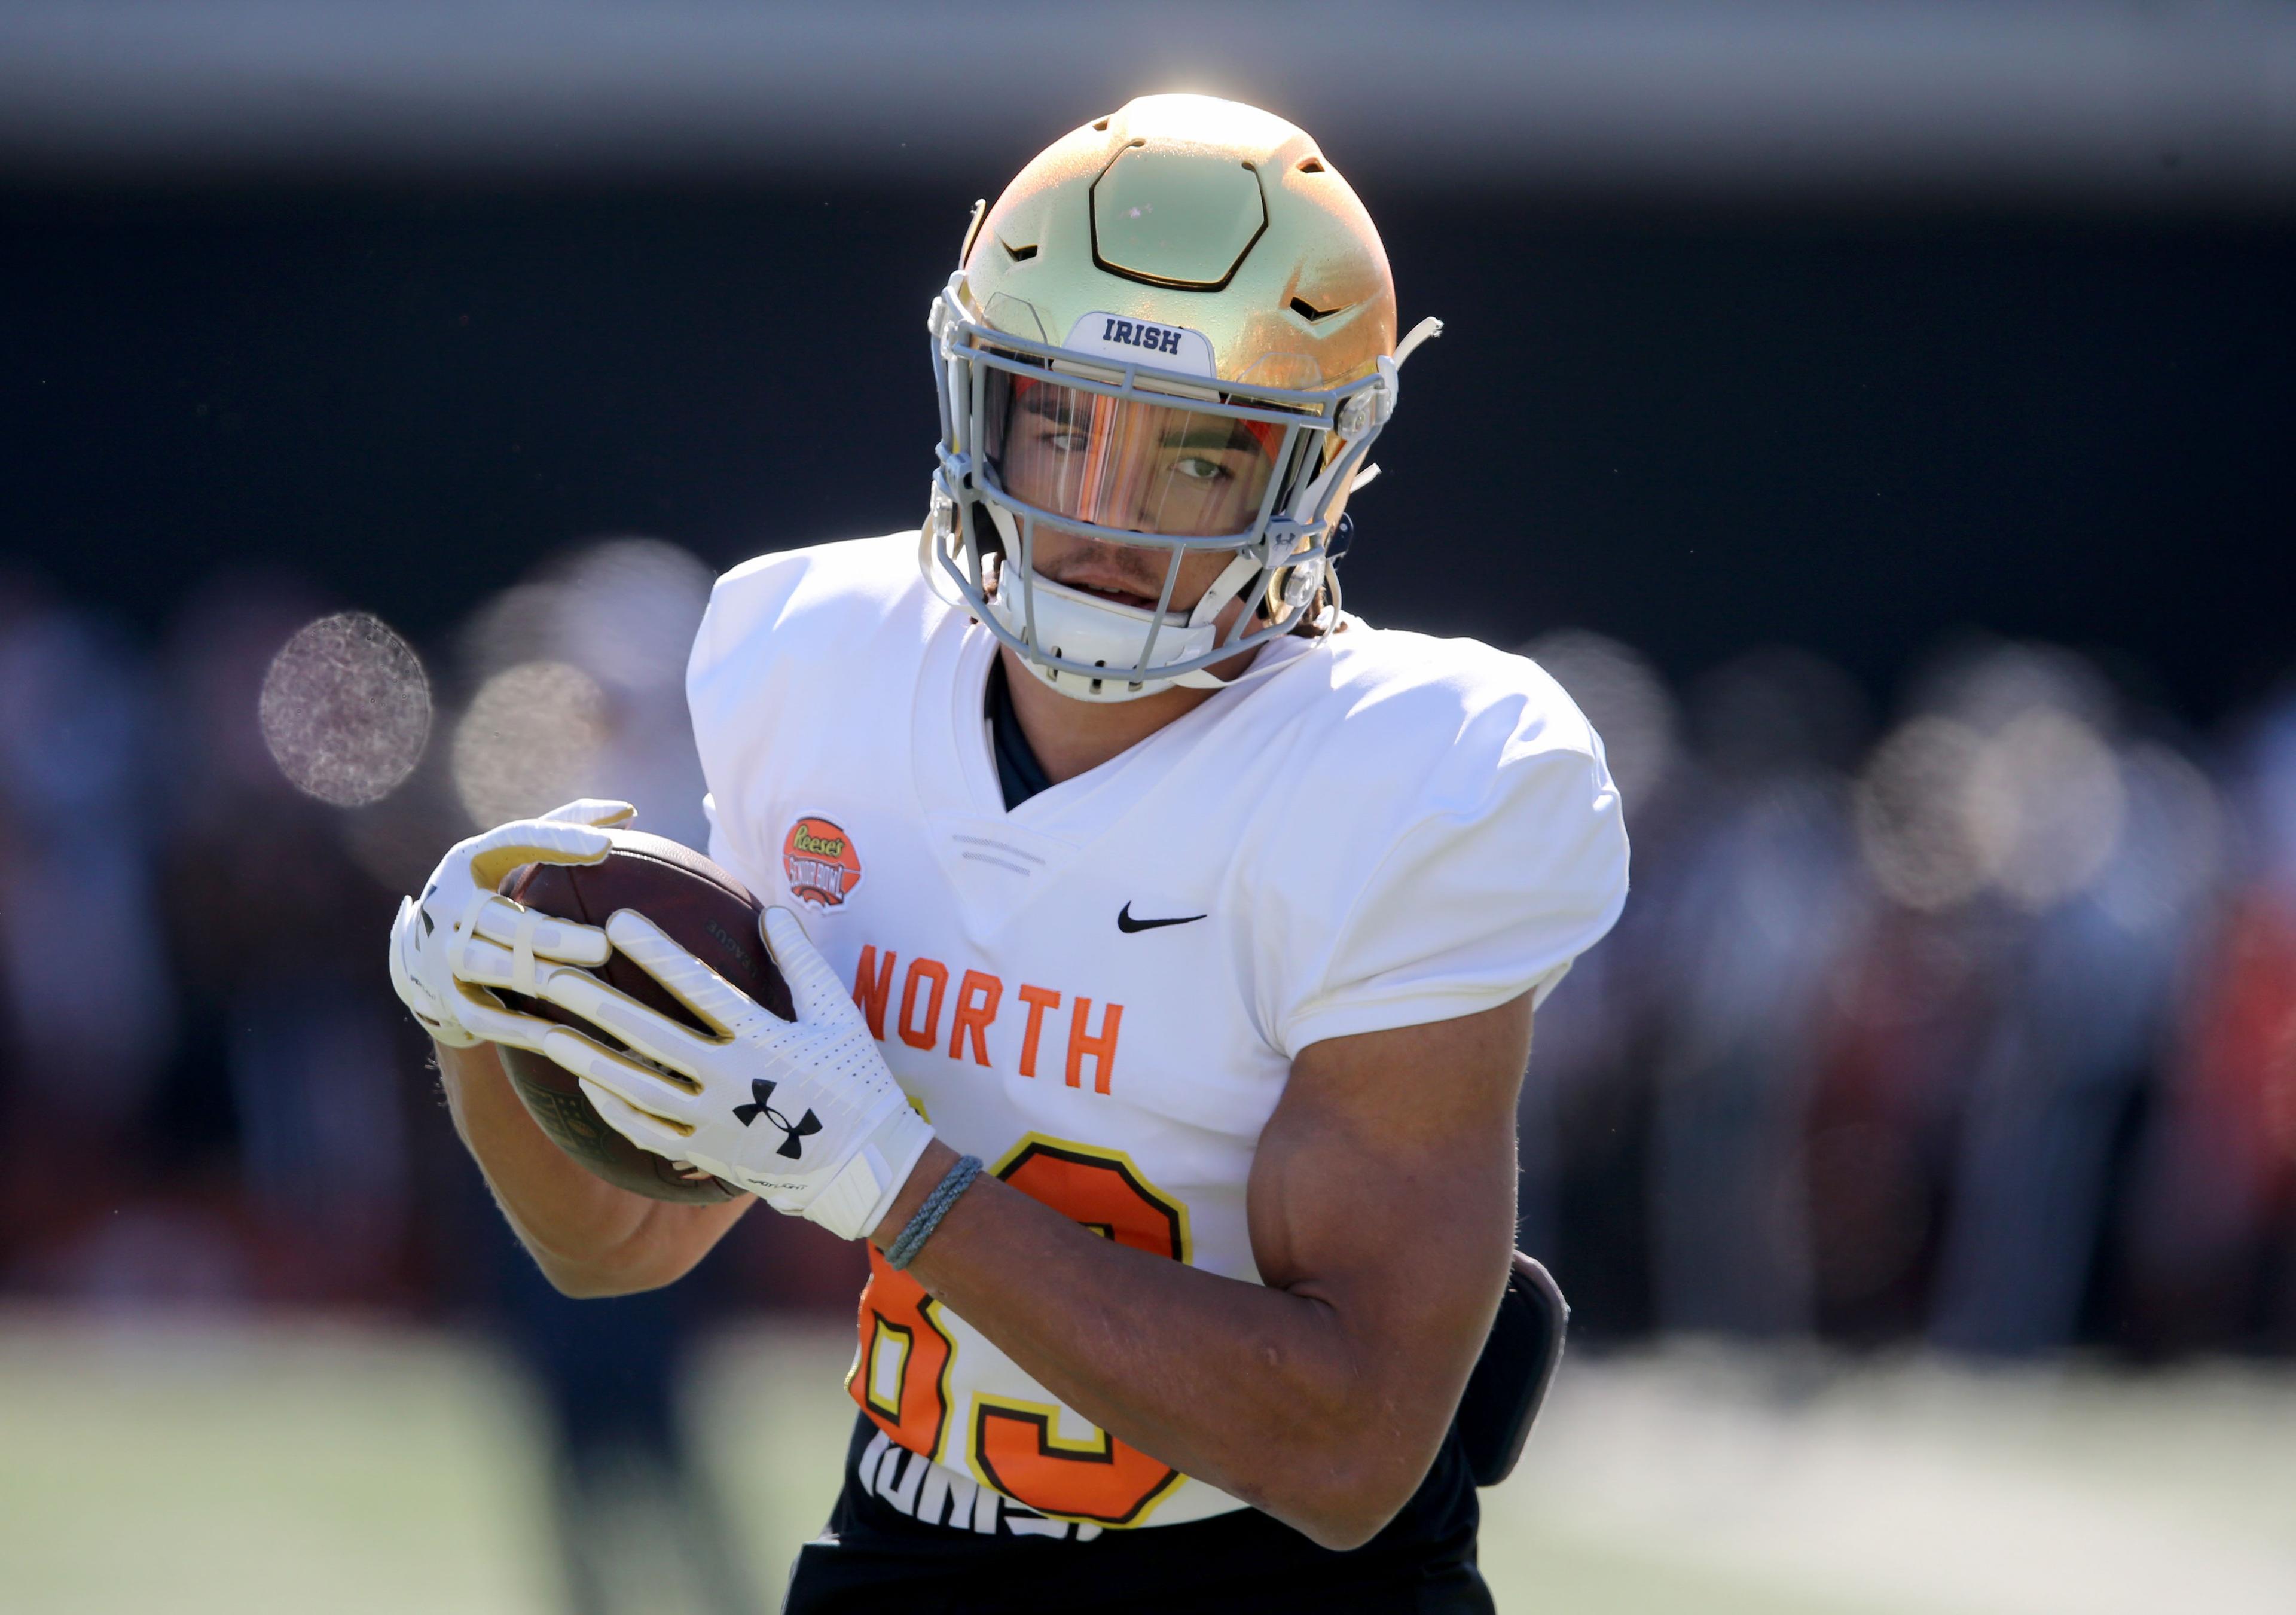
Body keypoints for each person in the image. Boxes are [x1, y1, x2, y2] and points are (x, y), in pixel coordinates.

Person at [390, 95, 1629, 1613]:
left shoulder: (1418, 768)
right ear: (979, 400)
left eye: (1195, 455)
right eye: (1064, 420)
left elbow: (1347, 1450)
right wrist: (478, 1015)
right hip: (907, 1543)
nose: (1107, 513)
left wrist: (888, 1181)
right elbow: (627, 1242)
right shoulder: (815, 658)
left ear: (1318, 467)